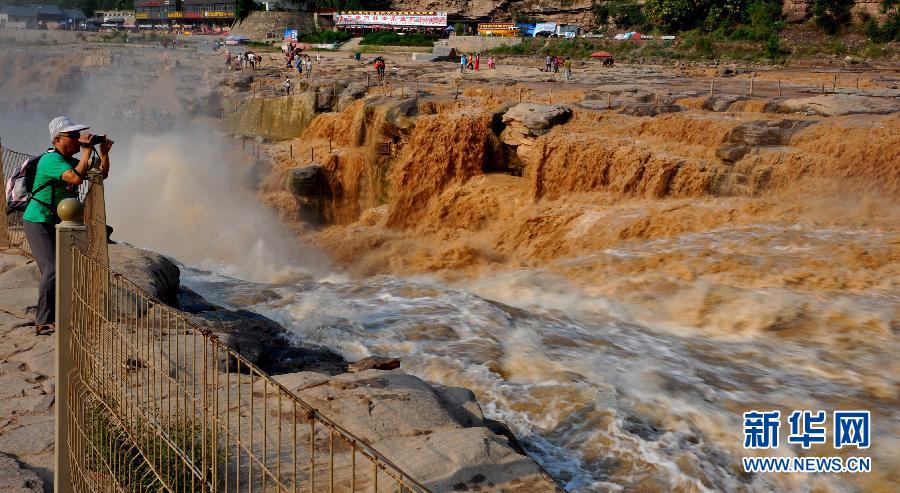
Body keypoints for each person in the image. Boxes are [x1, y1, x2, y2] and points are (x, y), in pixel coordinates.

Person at [23, 117, 112, 335]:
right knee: (52, 269)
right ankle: (43, 321)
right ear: (57, 140)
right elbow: (75, 179)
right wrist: (86, 150)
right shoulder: (51, 161)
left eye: (76, 135)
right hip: (38, 220)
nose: (76, 139)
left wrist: (103, 152)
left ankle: (55, 314)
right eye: (72, 136)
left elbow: (101, 173)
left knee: (58, 269)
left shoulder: (67, 160)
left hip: (55, 220)